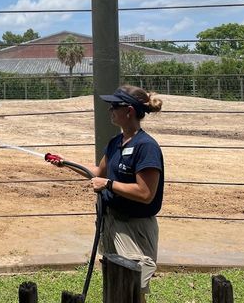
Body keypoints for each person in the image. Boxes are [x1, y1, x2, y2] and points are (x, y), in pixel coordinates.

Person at [48, 85, 164, 301]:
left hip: (134, 227)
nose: (110, 110)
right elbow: (97, 172)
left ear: (128, 111)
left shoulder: (146, 146)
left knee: (131, 286)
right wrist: (66, 163)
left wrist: (109, 184)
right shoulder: (115, 143)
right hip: (111, 221)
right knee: (115, 281)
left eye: (114, 106)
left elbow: (145, 193)